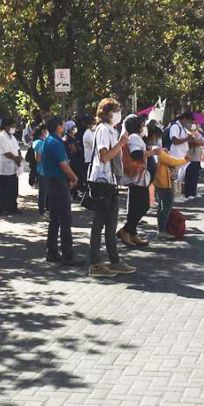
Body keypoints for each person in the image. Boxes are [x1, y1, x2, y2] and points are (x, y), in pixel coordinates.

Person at [87, 98, 136, 278]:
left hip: (110, 181)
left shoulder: (111, 130)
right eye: (116, 110)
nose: (119, 114)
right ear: (107, 112)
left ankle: (114, 261)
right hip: (102, 182)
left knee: (111, 223)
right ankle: (95, 264)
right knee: (99, 223)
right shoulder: (103, 130)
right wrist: (121, 143)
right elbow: (104, 157)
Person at [41, 117, 79, 265]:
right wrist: (74, 178)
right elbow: (63, 165)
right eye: (63, 124)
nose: (64, 126)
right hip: (57, 182)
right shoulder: (56, 143)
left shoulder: (50, 140)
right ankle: (67, 255)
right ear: (58, 126)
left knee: (55, 219)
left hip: (52, 181)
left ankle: (52, 251)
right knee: (64, 219)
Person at [148, 126, 188, 234]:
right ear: (154, 136)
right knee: (166, 207)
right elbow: (170, 161)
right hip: (164, 182)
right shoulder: (156, 151)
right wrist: (185, 160)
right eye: (158, 137)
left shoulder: (152, 149)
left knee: (162, 207)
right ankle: (163, 230)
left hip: (159, 181)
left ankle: (162, 229)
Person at [118, 114, 150, 247]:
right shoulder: (134, 138)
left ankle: (132, 232)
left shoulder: (134, 137)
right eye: (142, 124)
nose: (144, 127)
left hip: (138, 178)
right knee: (142, 206)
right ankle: (126, 230)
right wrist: (151, 153)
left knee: (136, 206)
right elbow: (136, 154)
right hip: (137, 178)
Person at [0, 118, 22, 213]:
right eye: (12, 126)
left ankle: (13, 207)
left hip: (14, 166)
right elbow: (6, 153)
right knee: (5, 188)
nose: (14, 128)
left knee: (14, 188)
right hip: (5, 167)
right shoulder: (1, 137)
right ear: (6, 126)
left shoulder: (13, 137)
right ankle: (3, 208)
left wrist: (19, 157)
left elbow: (18, 149)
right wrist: (17, 159)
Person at [182, 120, 203, 201]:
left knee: (195, 176)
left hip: (197, 157)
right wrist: (197, 141)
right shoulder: (187, 133)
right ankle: (188, 193)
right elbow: (192, 142)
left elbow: (202, 142)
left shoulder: (197, 132)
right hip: (190, 157)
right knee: (189, 176)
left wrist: (198, 141)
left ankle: (193, 192)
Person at [32, 124, 49, 217]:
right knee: (43, 191)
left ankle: (46, 208)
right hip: (42, 170)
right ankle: (42, 210)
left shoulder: (45, 141)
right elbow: (37, 158)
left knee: (46, 190)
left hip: (47, 169)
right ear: (43, 131)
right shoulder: (38, 143)